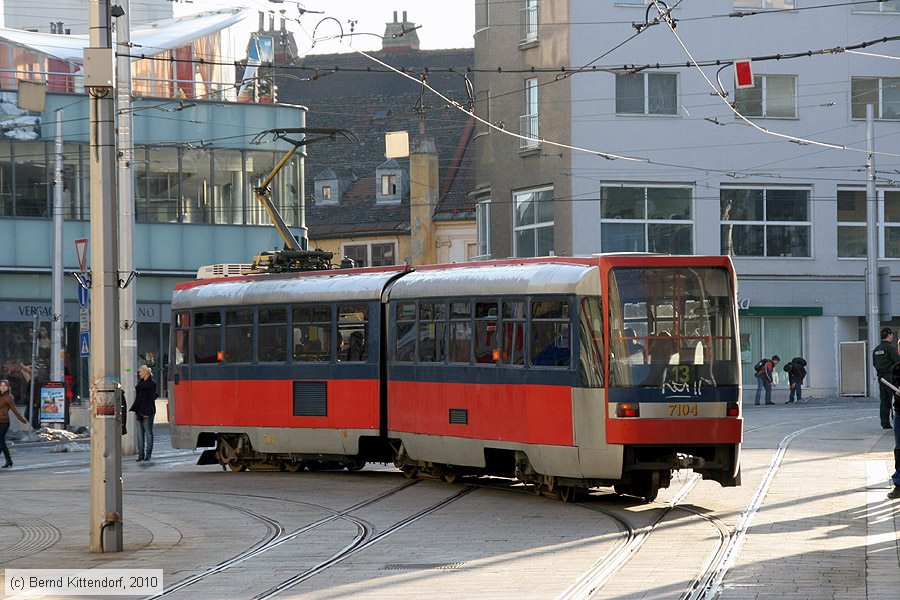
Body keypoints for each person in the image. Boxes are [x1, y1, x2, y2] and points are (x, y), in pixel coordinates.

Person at [130, 365, 158, 462]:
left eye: (141, 372)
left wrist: (147, 412)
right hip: (139, 410)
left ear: (146, 372)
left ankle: (148, 455)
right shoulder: (140, 383)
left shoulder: (152, 384)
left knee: (148, 433)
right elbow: (138, 398)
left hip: (148, 411)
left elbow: (151, 398)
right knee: (140, 434)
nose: (139, 373)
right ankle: (140, 455)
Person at [873, 327, 899, 430]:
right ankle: (896, 420)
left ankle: (885, 423)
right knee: (895, 400)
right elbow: (897, 361)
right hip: (891, 377)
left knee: (884, 401)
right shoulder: (890, 348)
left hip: (881, 378)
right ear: (889, 335)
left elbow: (875, 363)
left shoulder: (876, 349)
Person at [0, 378, 28, 468]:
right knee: (2, 442)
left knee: (0, 441)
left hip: (4, 422)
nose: (3, 387)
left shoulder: (8, 398)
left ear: (8, 388)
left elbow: (15, 410)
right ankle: (9, 461)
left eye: (5, 386)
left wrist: (22, 419)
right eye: (1, 386)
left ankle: (8, 461)